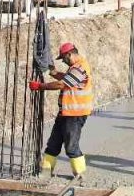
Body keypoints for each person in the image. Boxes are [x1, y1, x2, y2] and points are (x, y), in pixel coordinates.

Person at [29, 41, 93, 179]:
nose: (63, 61)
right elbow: (65, 78)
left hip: (75, 115)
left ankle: (79, 174)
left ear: (70, 54)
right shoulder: (75, 67)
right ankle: (46, 172)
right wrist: (53, 72)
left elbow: (61, 84)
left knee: (71, 146)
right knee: (53, 143)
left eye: (64, 58)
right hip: (65, 113)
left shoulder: (80, 67)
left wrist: (40, 86)